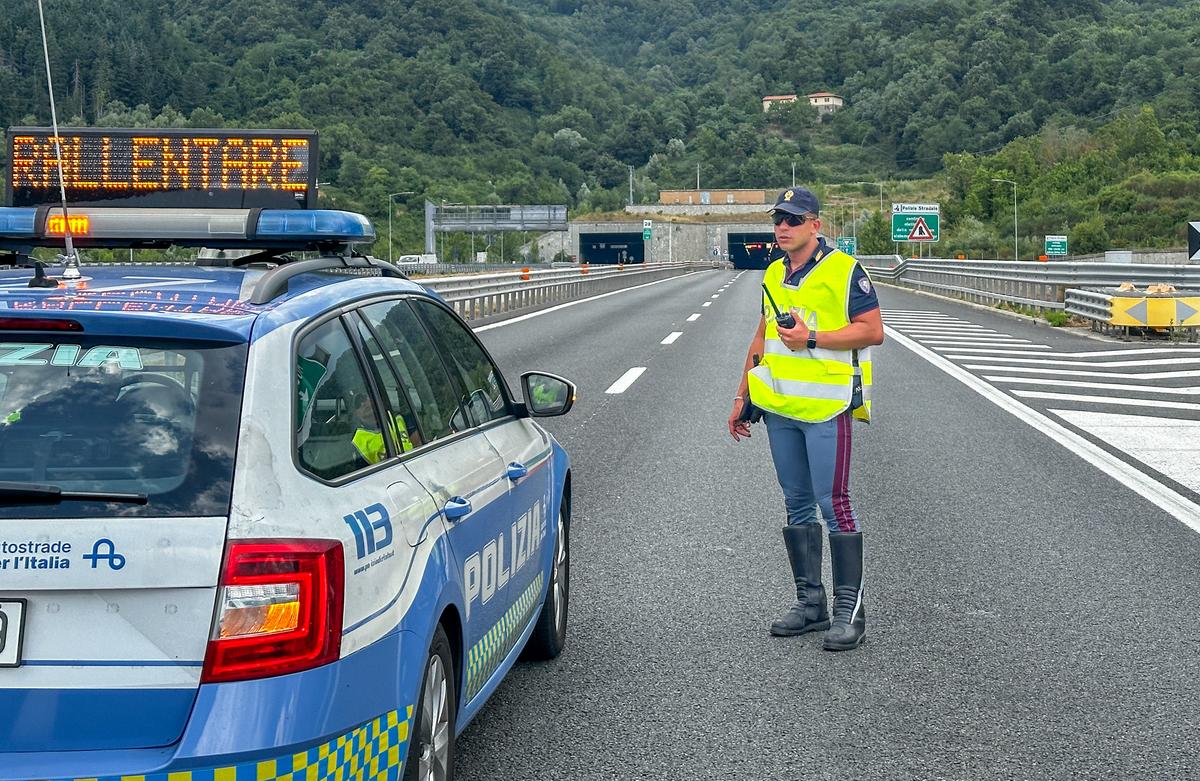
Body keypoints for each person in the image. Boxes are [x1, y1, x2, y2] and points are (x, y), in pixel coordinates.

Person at [727, 187, 884, 652]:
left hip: (827, 406)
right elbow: (762, 335)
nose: (783, 226)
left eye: (794, 219)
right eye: (779, 218)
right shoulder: (773, 273)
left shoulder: (844, 271)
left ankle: (848, 614)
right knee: (796, 505)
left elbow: (873, 330)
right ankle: (810, 604)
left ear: (816, 224)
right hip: (781, 408)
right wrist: (742, 394)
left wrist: (812, 338)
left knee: (833, 502)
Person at [350, 391, 415, 466]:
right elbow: (365, 473)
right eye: (357, 404)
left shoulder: (396, 418)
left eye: (364, 399)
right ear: (356, 414)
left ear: (372, 399)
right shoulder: (358, 441)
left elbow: (419, 439)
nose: (363, 404)